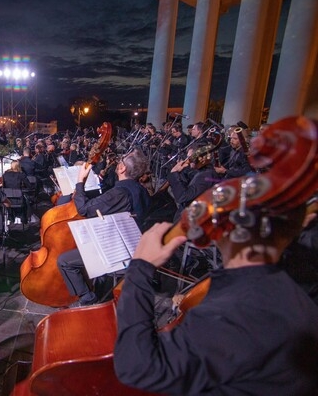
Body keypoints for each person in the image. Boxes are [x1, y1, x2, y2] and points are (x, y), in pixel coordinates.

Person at [113, 208, 318, 394]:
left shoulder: (238, 315)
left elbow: (138, 367)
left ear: (227, 229)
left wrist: (140, 267)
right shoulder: (286, 284)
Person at [57, 149, 151, 307]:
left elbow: (84, 210)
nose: (118, 163)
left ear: (122, 168)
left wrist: (80, 181)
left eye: (120, 161)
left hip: (116, 252)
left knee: (64, 261)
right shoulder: (141, 190)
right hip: (134, 245)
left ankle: (88, 298)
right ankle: (98, 285)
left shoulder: (119, 193)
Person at [167, 143, 221, 222]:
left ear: (202, 158)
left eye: (191, 157)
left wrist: (174, 173)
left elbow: (183, 197)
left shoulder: (206, 176)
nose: (188, 160)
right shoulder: (201, 172)